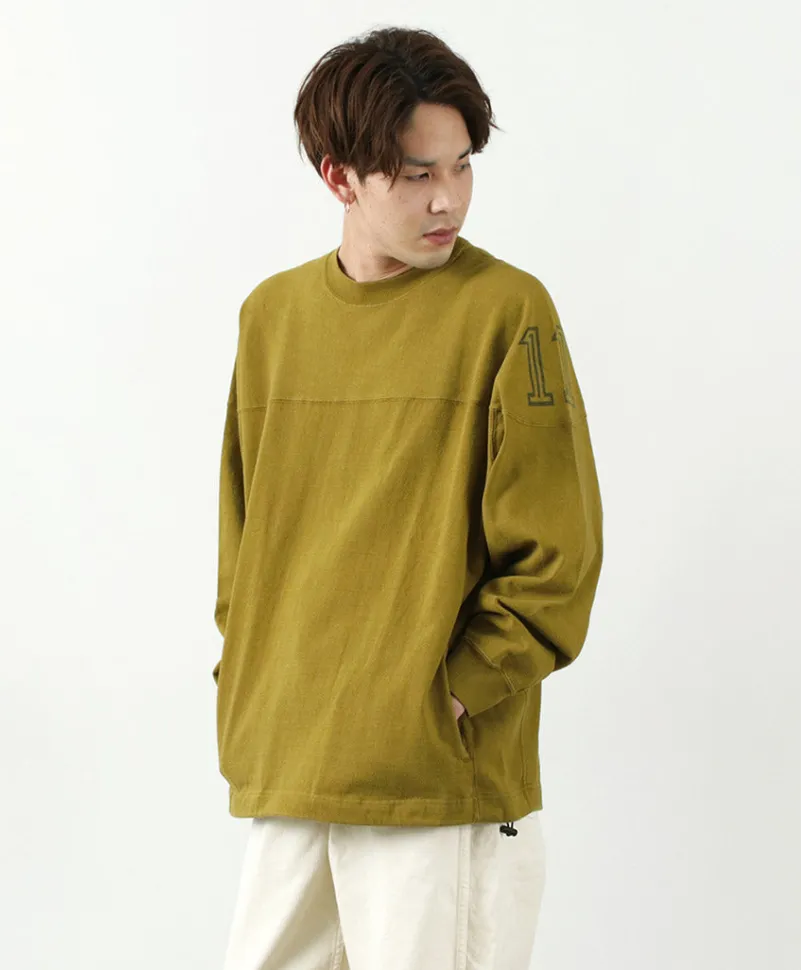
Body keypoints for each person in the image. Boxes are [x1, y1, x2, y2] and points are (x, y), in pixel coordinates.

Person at [212, 25, 604, 970]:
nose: (448, 199)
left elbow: (556, 560)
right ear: (339, 178)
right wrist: (250, 688)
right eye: (416, 174)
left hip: (436, 784)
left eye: (462, 167)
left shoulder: (508, 313)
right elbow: (245, 540)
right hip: (290, 766)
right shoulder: (273, 319)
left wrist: (448, 698)